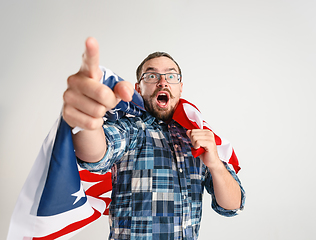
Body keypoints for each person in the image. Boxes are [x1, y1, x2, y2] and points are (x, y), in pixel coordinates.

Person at [62, 37, 245, 240]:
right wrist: (87, 120)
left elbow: (233, 206)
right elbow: (97, 154)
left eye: (171, 75)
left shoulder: (199, 137)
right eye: (151, 76)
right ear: (139, 88)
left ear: (180, 87)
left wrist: (216, 165)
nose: (162, 81)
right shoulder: (131, 129)